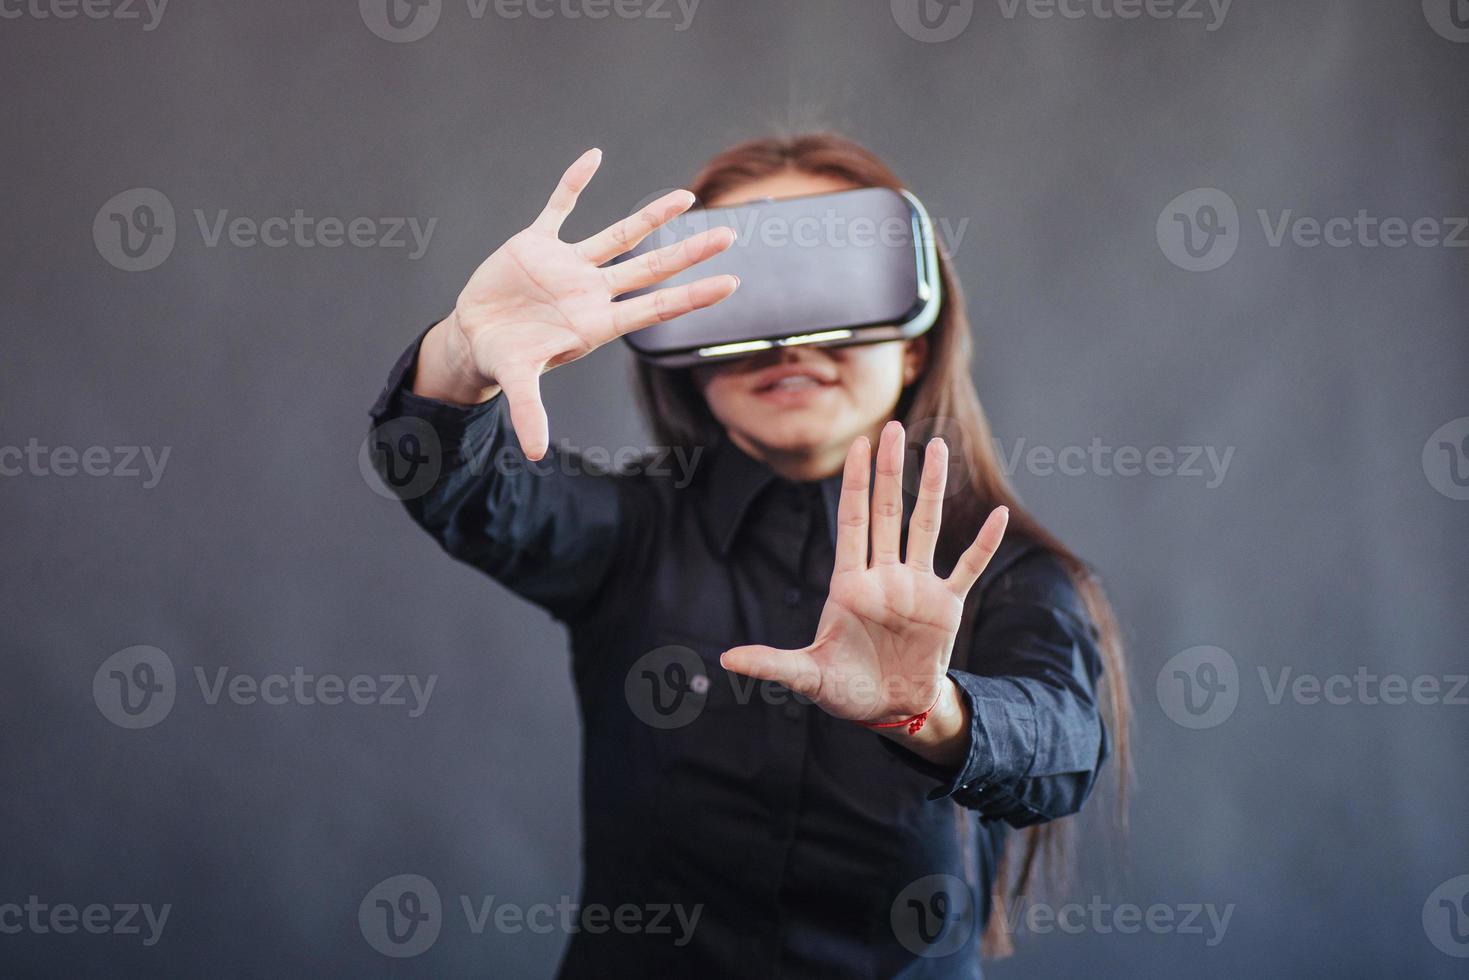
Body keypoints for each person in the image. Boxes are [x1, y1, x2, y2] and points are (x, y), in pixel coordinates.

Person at [368, 132, 1130, 978]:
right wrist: (459, 360)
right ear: (691, 359)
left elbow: (1061, 749)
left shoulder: (1005, 569)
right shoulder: (633, 531)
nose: (789, 339)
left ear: (912, 341)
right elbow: (463, 490)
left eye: (828, 280)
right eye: (743, 296)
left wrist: (933, 709)